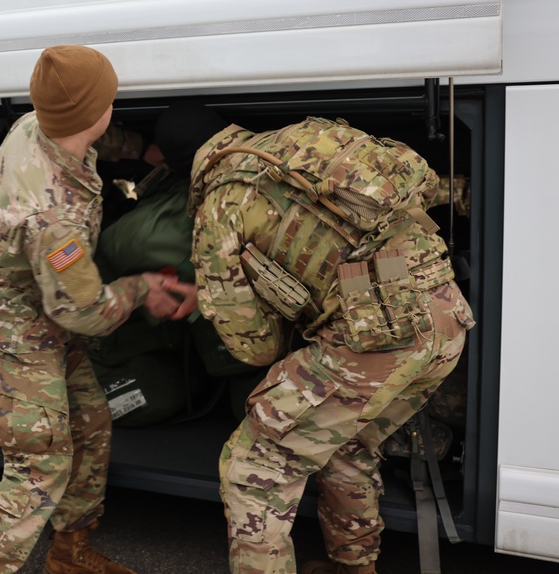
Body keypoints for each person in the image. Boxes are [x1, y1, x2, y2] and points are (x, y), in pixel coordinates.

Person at [187, 118, 476, 574]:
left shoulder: (221, 201)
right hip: (446, 314)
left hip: (375, 336)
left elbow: (251, 344)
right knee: (346, 444)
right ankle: (354, 567)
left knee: (256, 469)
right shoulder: (302, 142)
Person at [0, 44, 196, 574]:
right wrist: (141, 289)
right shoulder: (49, 215)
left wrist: (140, 149)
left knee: (91, 423)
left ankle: (69, 554)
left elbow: (90, 133)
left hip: (43, 315)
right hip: (19, 334)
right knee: (38, 468)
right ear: (99, 108)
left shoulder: (34, 124)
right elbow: (84, 312)